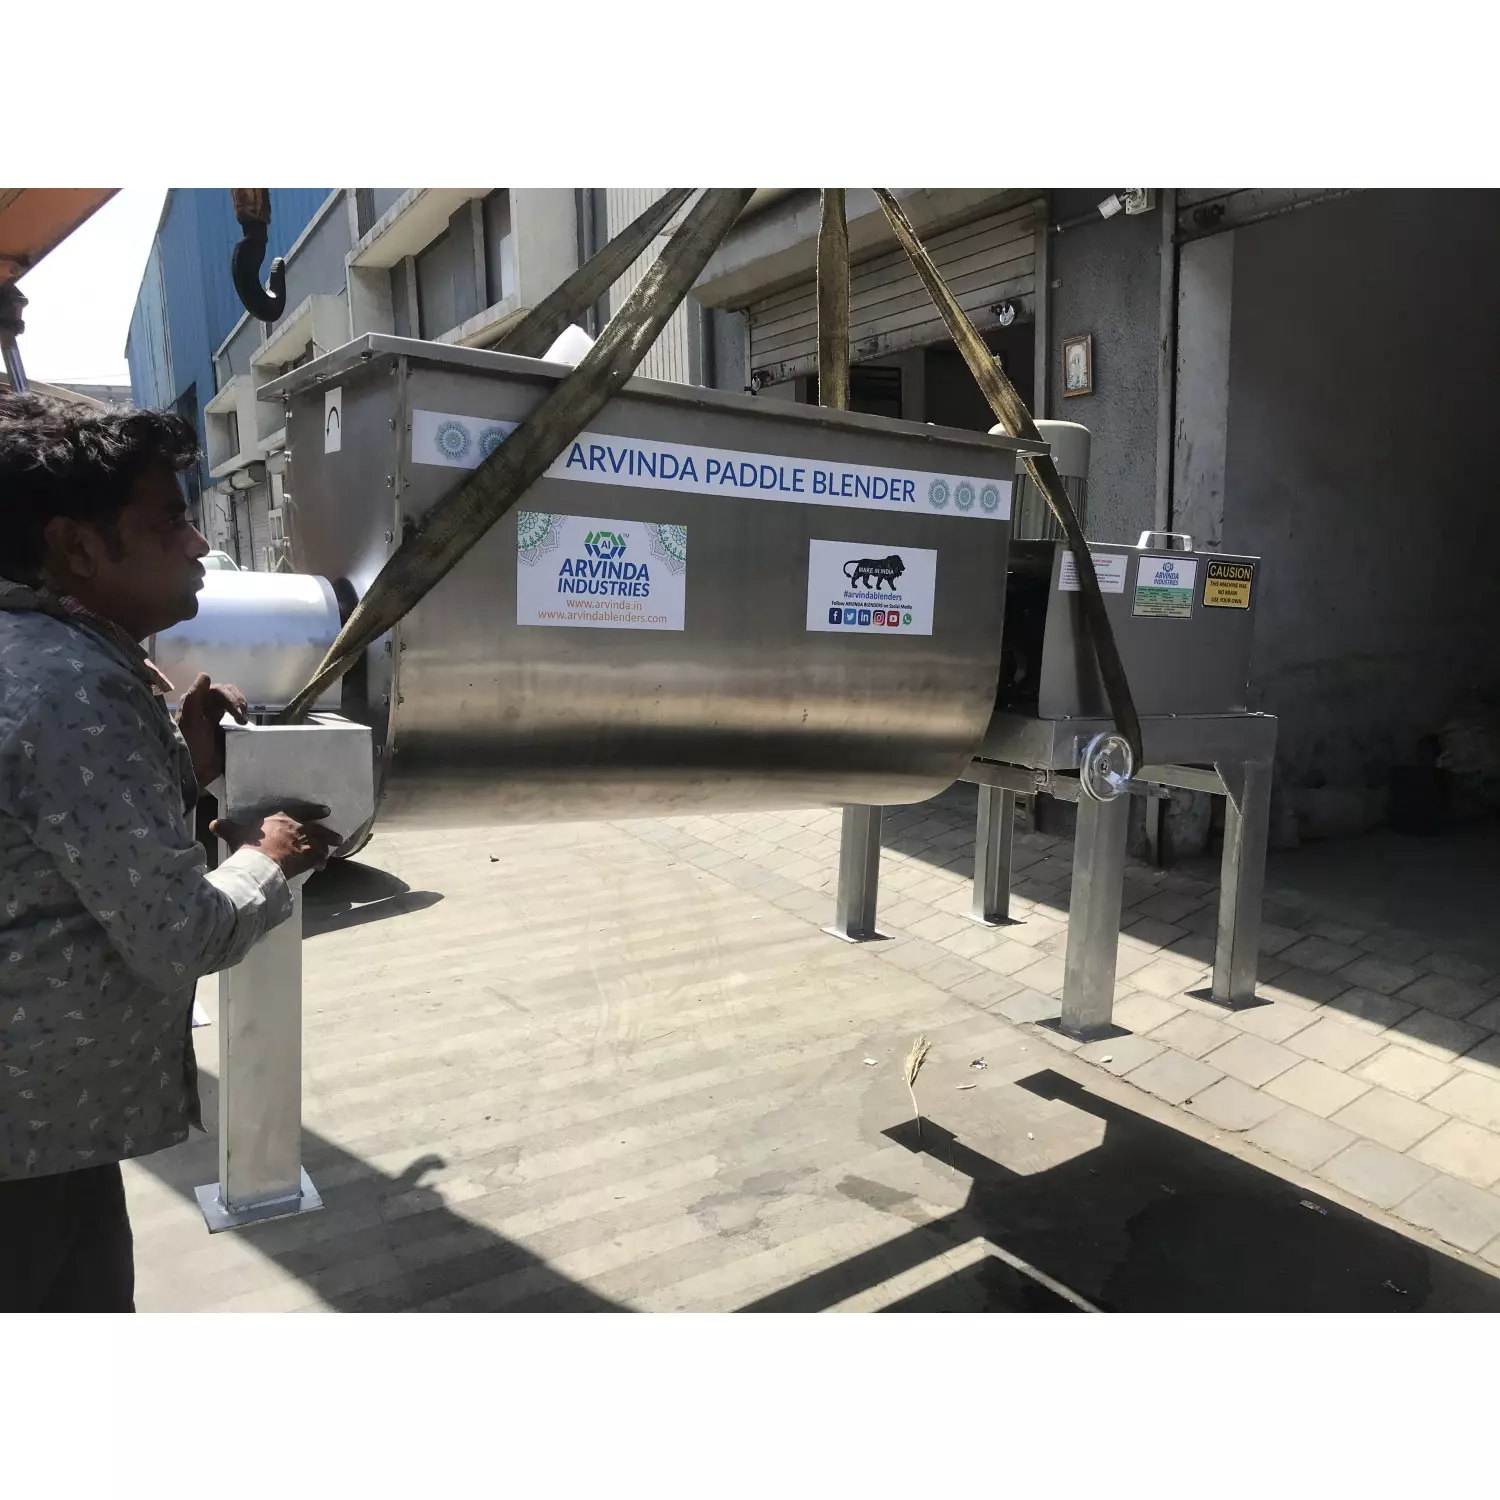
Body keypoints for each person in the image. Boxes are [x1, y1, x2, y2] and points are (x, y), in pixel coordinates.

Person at [0, 391, 339, 1312]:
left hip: (42, 1124)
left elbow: (58, 839)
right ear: (75, 546)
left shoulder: (36, 654)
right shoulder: (70, 685)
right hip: (28, 1144)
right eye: (168, 520)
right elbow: (180, 933)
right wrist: (270, 856)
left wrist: (181, 766)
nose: (196, 544)